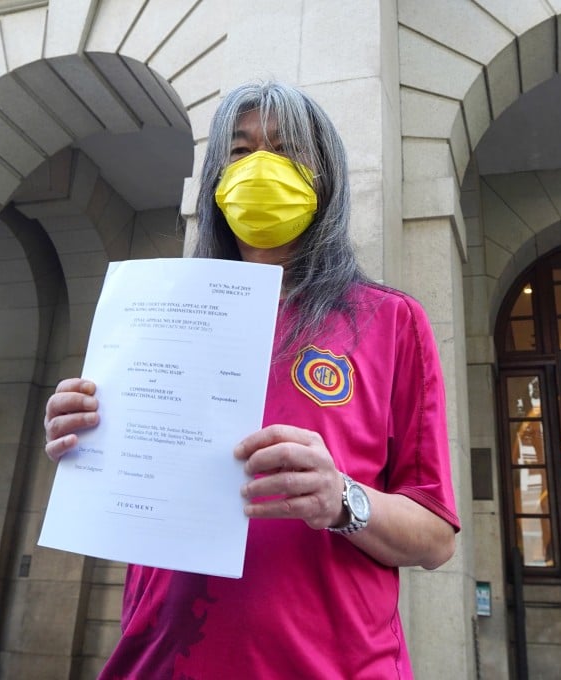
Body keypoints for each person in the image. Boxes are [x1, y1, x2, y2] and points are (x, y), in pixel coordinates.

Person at [43, 81, 460, 679]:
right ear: (216, 178)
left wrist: (342, 499)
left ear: (326, 180)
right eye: (240, 152)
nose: (262, 167)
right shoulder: (157, 311)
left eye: (288, 151)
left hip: (332, 667)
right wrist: (82, 434)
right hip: (159, 663)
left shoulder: (390, 321)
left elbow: (436, 538)